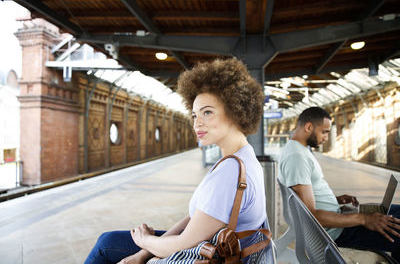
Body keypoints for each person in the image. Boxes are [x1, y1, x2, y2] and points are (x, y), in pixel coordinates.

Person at [84, 58, 268, 264]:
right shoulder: (242, 156)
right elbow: (195, 220)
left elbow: (183, 244)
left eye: (207, 112)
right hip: (210, 244)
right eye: (194, 114)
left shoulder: (230, 172)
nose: (197, 123)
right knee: (108, 241)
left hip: (212, 255)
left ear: (236, 111)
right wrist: (143, 252)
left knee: (106, 245)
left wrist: (145, 240)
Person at [278, 106, 400, 261]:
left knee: (395, 212)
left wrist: (334, 200)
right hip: (338, 233)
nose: (326, 138)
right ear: (309, 127)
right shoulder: (297, 157)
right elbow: (312, 216)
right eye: (324, 132)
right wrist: (364, 219)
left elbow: (307, 202)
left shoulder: (298, 151)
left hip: (338, 223)